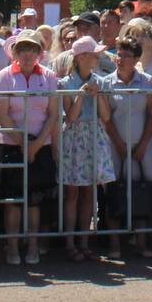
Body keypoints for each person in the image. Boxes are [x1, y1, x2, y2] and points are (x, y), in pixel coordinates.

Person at [0, 30, 57, 265]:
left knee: (35, 199)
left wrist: (37, 144)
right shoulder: (5, 75)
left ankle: (32, 246)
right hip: (11, 144)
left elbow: (53, 113)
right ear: (15, 52)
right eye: (23, 49)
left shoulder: (49, 76)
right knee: (14, 200)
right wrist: (23, 142)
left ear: (39, 52)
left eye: (32, 49)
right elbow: (1, 113)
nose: (27, 54)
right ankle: (12, 247)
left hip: (41, 144)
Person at [58, 36, 115, 261]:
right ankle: (70, 242)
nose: (97, 57)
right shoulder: (64, 84)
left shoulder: (100, 82)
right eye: (93, 54)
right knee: (72, 192)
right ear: (82, 57)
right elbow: (70, 117)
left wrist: (97, 95)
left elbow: (107, 115)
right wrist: (81, 95)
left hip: (94, 137)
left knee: (90, 192)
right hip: (74, 138)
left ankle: (84, 241)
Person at [101, 35, 152, 258]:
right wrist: (119, 143)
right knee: (114, 190)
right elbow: (106, 118)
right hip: (115, 144)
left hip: (142, 144)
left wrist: (144, 143)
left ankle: (142, 242)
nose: (121, 58)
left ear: (136, 58)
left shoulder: (146, 81)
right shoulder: (107, 82)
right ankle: (115, 243)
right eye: (119, 54)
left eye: (127, 55)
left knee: (143, 189)